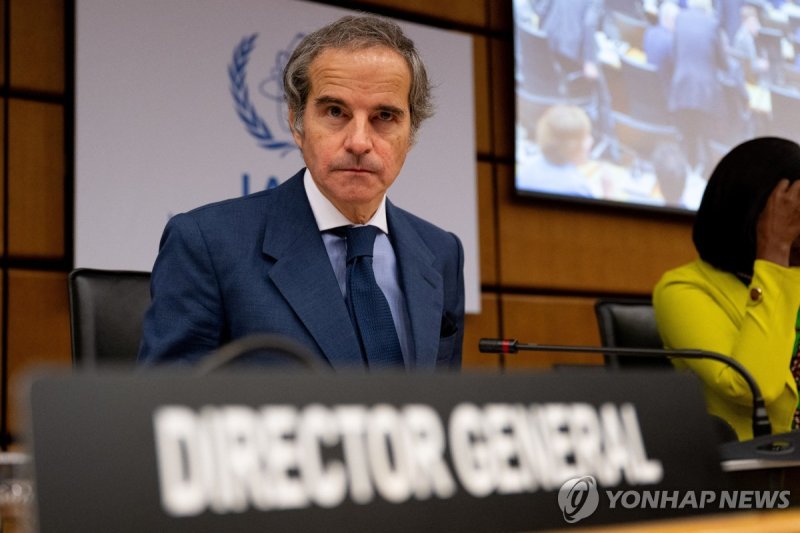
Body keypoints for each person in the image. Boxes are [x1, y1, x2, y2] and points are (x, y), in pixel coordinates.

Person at [138, 15, 465, 371]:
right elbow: (169, 402)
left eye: (384, 116)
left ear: (411, 133)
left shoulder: (441, 253)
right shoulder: (207, 244)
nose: (359, 142)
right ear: (297, 124)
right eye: (335, 111)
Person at [653, 137, 800, 441]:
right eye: (791, 210)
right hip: (757, 465)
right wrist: (774, 252)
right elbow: (754, 387)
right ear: (756, 212)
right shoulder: (682, 289)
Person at [516, 105, 597, 198]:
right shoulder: (578, 189)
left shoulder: (524, 170)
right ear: (571, 147)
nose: (591, 140)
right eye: (586, 137)